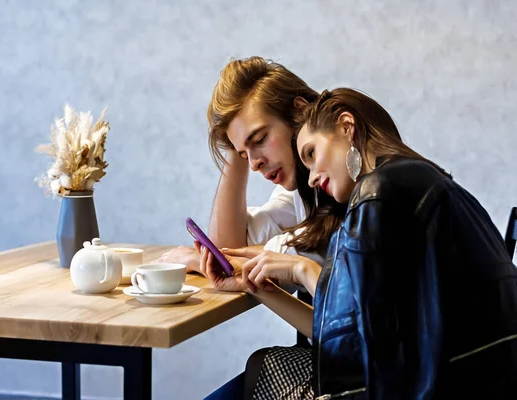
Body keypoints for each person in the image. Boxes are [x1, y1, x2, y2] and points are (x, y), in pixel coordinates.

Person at [202, 88, 517, 399]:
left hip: (439, 383)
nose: (310, 178)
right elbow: (346, 337)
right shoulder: (412, 181)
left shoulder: (377, 193)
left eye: (312, 154)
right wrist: (257, 286)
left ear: (346, 127)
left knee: (264, 368)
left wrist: (304, 270)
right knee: (264, 365)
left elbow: (359, 338)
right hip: (475, 377)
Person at [154, 57, 342, 274]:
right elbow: (231, 246)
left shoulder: (341, 185)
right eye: (244, 155)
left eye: (260, 139)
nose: (254, 164)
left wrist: (200, 262)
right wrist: (235, 145)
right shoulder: (302, 189)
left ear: (300, 111)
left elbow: (287, 259)